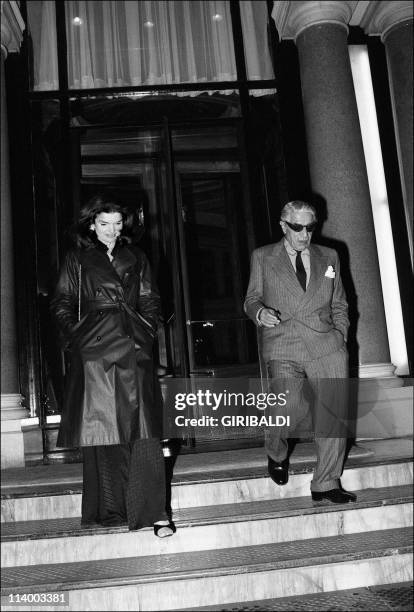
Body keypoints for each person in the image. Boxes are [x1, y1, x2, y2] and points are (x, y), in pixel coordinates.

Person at [50, 193, 175, 537]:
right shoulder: (78, 258)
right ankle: (112, 509)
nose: (112, 230)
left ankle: (155, 513)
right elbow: (61, 302)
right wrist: (81, 337)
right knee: (106, 431)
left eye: (118, 224)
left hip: (134, 345)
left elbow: (151, 299)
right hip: (96, 351)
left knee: (145, 429)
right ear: (92, 224)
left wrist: (146, 331)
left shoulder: (136, 256)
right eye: (104, 224)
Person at [244, 200, 356, 504]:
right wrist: (260, 313)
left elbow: (340, 302)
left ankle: (326, 482)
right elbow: (251, 299)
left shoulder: (330, 256)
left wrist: (340, 336)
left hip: (326, 345)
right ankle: (277, 451)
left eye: (310, 227)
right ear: (283, 225)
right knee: (287, 405)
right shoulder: (264, 257)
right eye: (297, 227)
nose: (304, 234)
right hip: (284, 342)